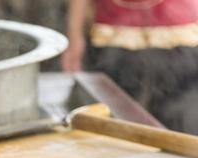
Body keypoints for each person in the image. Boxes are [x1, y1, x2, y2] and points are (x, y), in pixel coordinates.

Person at [62, 0, 198, 132]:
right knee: (113, 125)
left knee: (182, 125)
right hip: (112, 37)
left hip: (180, 37)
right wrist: (74, 35)